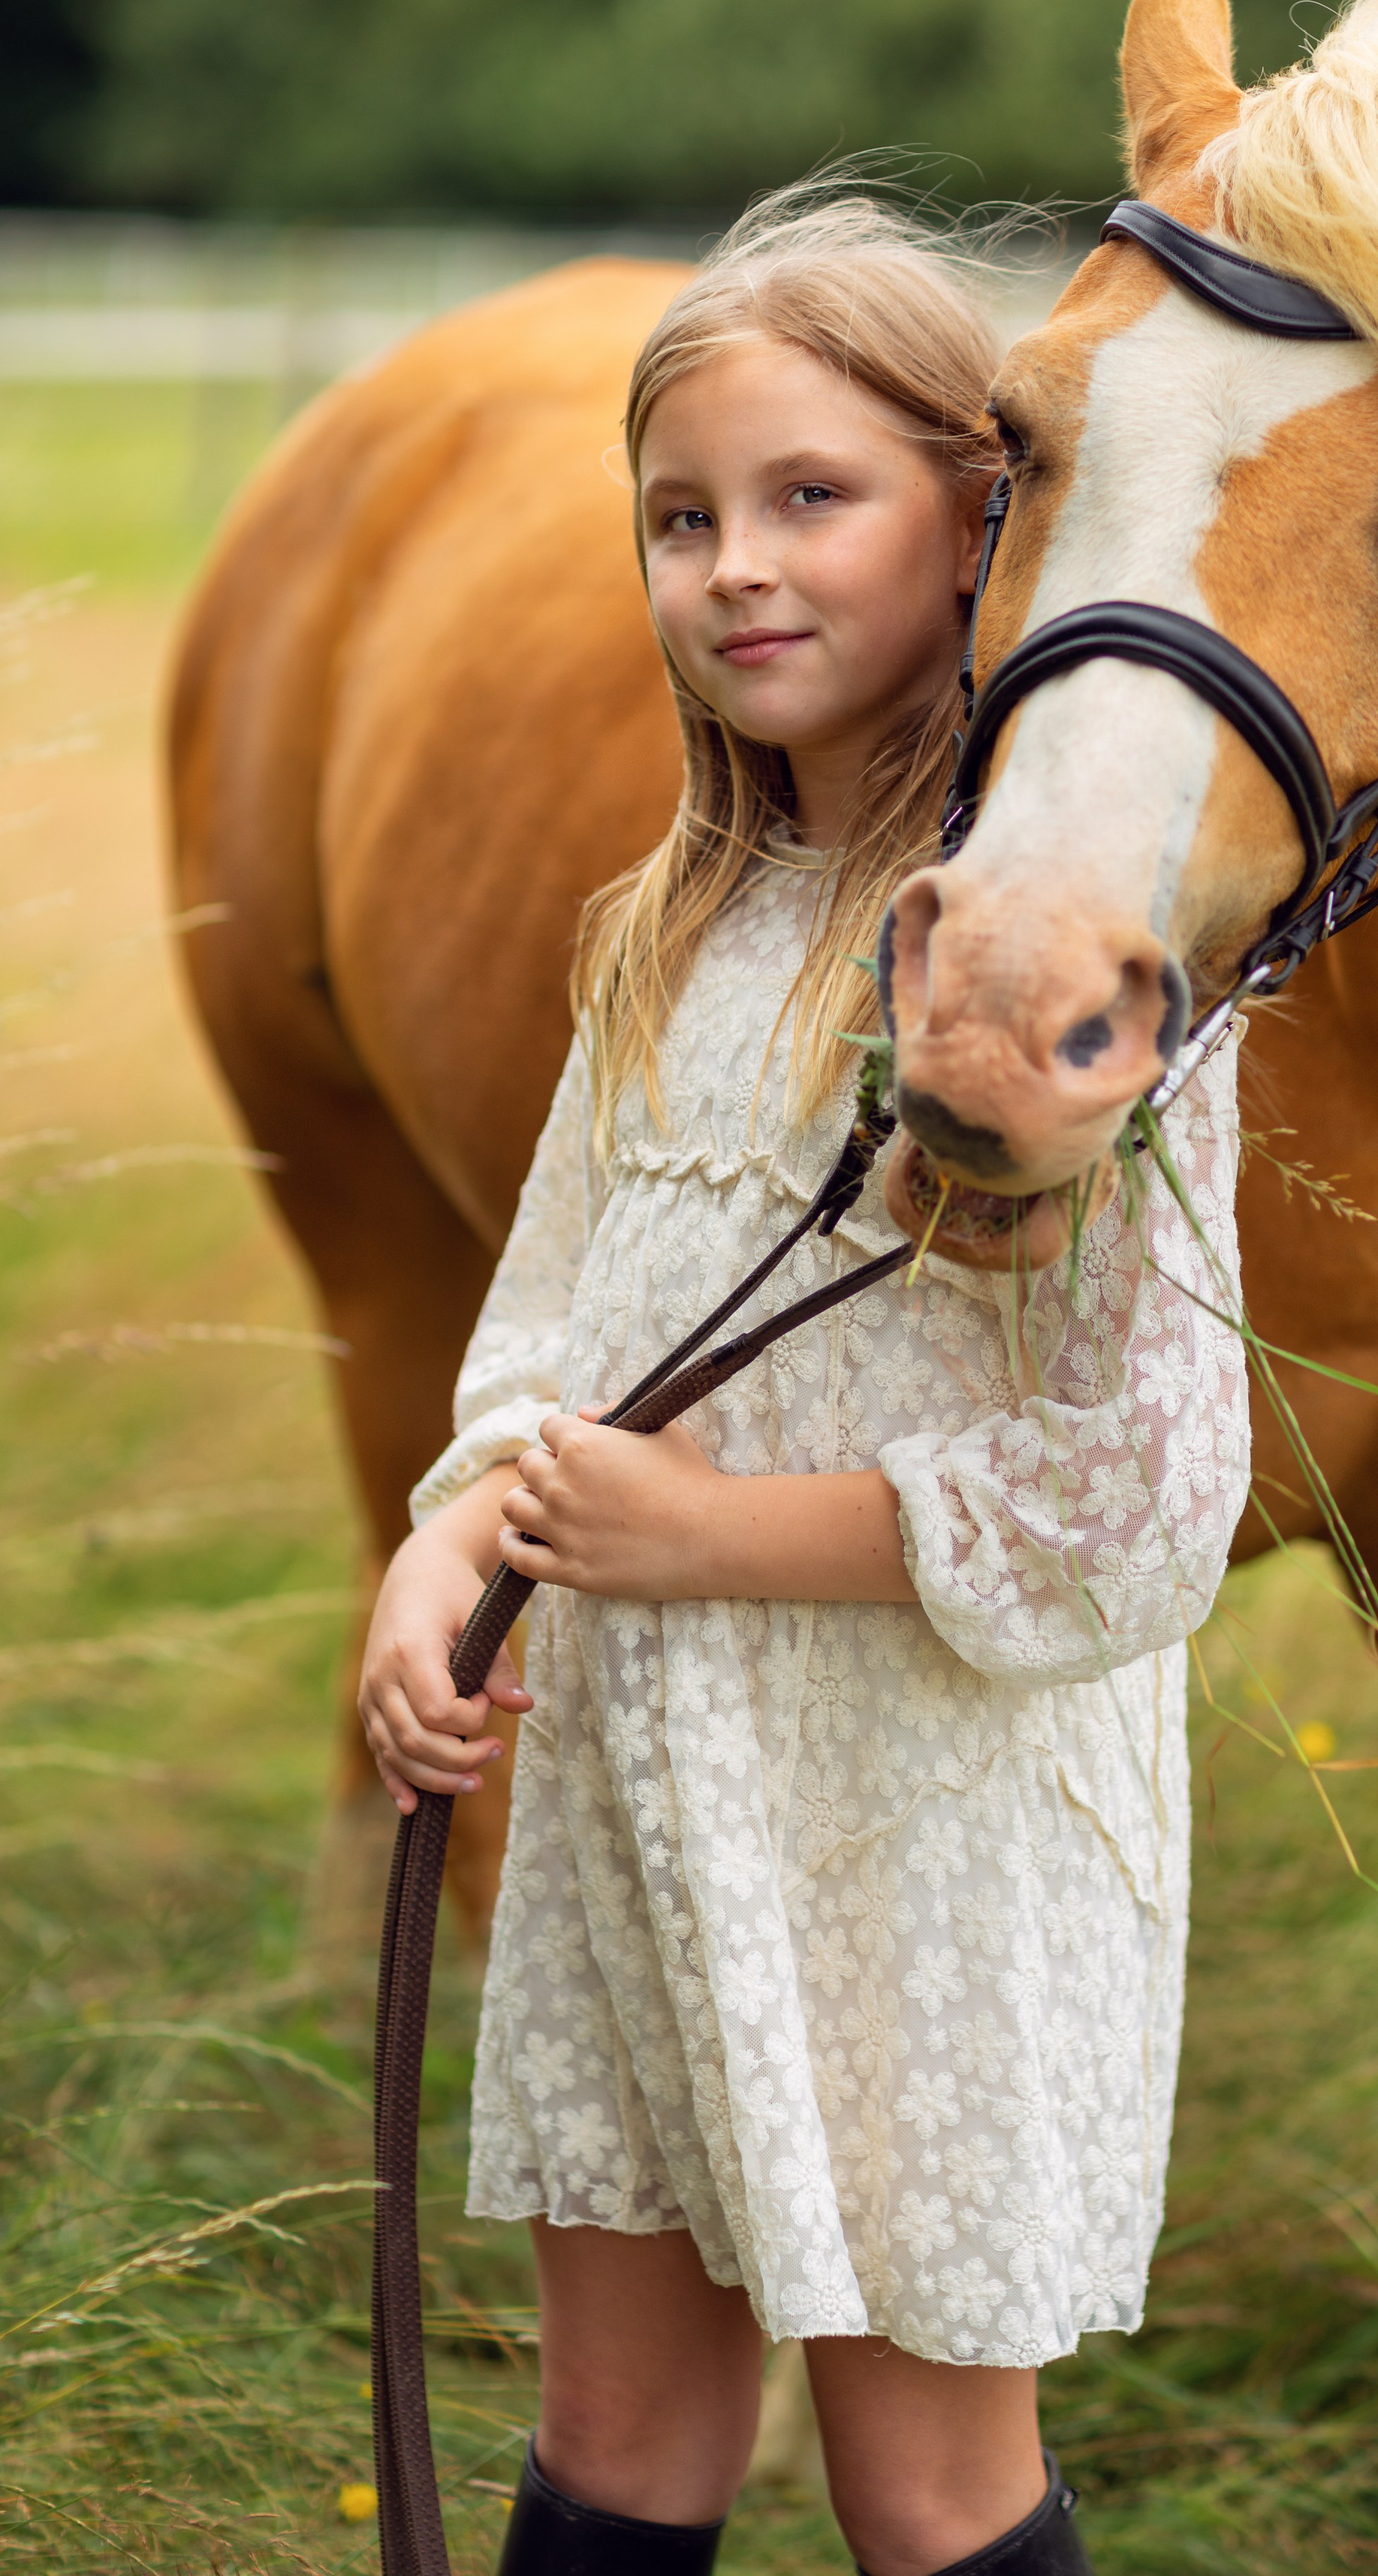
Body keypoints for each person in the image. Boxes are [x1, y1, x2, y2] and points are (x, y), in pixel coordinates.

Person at [358, 193, 1251, 2576]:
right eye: (681, 516)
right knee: (621, 2437)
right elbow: (550, 1323)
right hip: (644, 1812)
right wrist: (457, 1536)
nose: (734, 566)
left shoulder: (1068, 972)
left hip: (923, 1846)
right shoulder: (668, 926)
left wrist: (702, 1535)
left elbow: (1144, 1496)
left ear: (987, 514)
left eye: (807, 499)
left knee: (921, 2479)